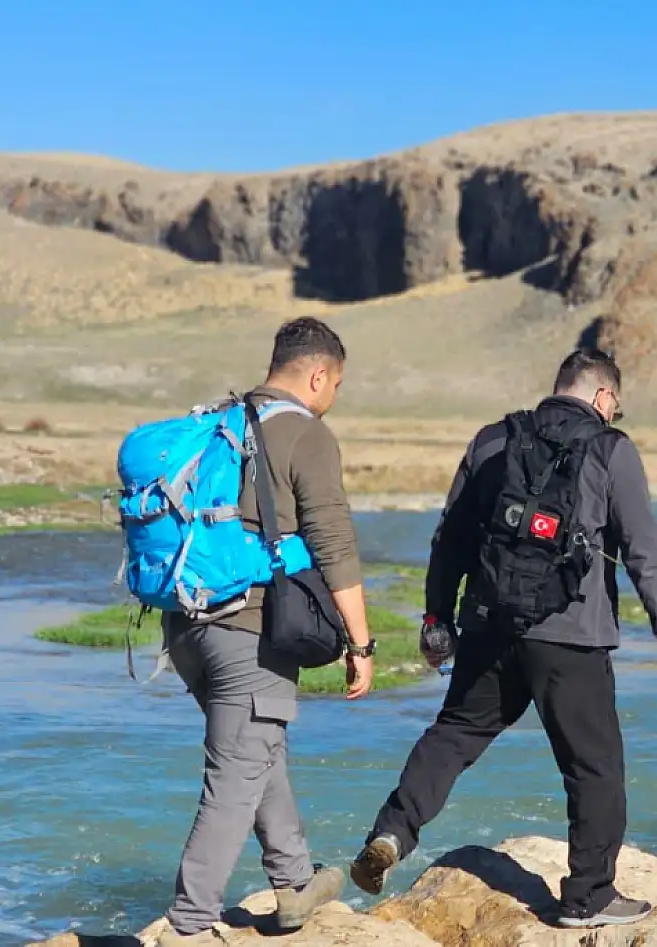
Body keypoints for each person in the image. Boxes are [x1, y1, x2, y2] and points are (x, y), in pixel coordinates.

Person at [349, 348, 657, 930]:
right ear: (604, 398)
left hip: (488, 623)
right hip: (571, 637)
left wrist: (438, 617)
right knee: (594, 766)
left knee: (454, 733)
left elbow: (450, 537)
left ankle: (392, 831)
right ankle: (588, 897)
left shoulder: (493, 440)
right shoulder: (612, 450)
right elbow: (644, 551)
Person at [155, 317, 374, 946]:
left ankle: (296, 882)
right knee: (233, 779)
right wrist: (360, 645)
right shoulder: (305, 435)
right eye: (335, 386)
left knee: (257, 752)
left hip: (186, 627)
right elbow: (334, 543)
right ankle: (189, 925)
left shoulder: (220, 422)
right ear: (317, 375)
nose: (332, 399)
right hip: (247, 629)